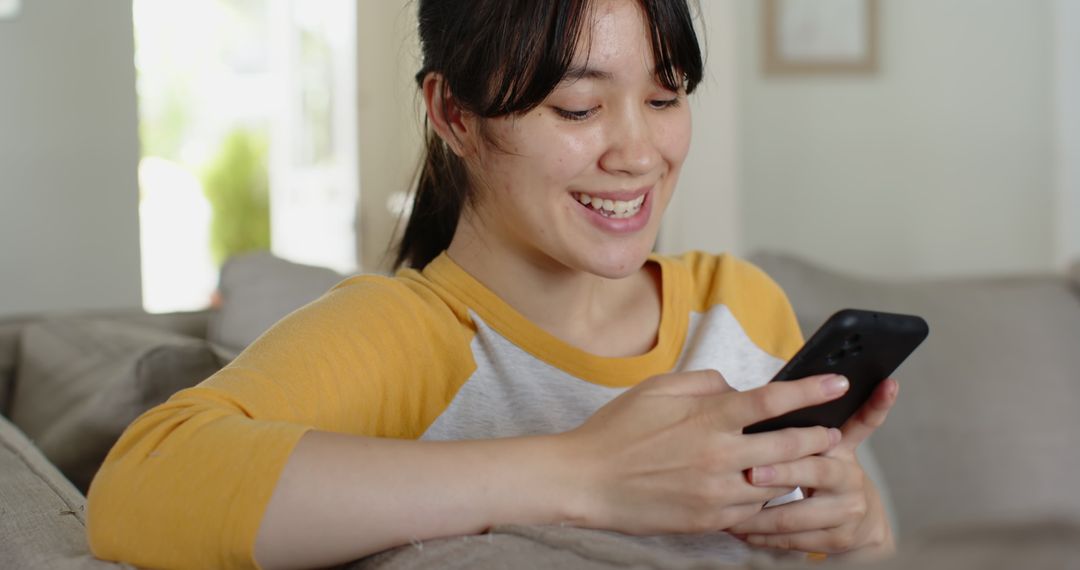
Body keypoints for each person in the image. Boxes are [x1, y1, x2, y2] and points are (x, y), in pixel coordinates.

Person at [86, 0, 897, 568]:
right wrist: (583, 475)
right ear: (455, 116)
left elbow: (853, 541)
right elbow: (138, 488)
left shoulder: (741, 303)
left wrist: (858, 528)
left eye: (664, 95)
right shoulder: (403, 335)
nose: (640, 152)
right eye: (578, 108)